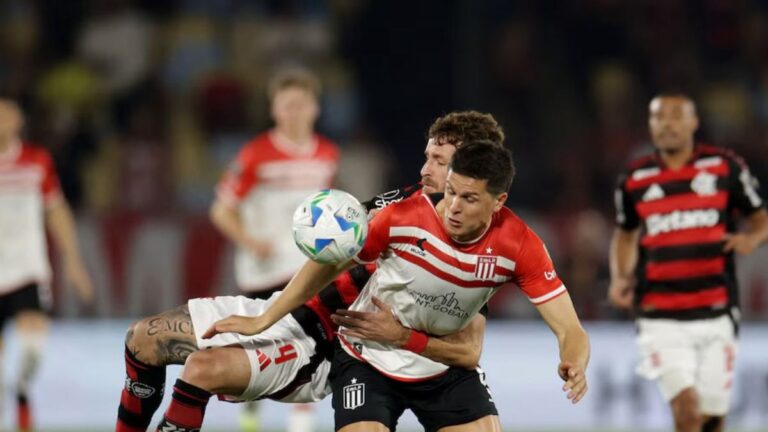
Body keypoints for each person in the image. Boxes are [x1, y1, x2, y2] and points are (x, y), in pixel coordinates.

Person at [115, 111, 506, 432]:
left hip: (323, 347)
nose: (424, 169)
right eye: (427, 157)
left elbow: (468, 347)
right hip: (292, 313)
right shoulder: (404, 201)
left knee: (203, 368)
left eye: (439, 162)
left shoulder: (474, 249)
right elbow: (339, 248)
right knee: (143, 338)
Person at [207, 140, 591, 432]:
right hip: (369, 356)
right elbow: (330, 263)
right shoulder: (402, 218)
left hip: (442, 367)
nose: (454, 206)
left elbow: (570, 329)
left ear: (499, 201)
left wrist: (574, 361)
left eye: (469, 198)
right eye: (451, 191)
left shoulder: (520, 246)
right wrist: (266, 318)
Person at [608, 94, 768, 432]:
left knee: (712, 418)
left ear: (694, 122)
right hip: (659, 314)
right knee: (687, 409)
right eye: (659, 117)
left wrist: (751, 239)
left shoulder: (724, 167)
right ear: (650, 124)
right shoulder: (635, 178)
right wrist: (620, 277)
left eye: (676, 116)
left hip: (716, 311)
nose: (667, 124)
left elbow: (760, 218)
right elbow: (626, 233)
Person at [209, 68, 339, 432]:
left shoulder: (327, 154)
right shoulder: (255, 155)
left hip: (306, 266)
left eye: (301, 104)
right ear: (274, 110)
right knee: (258, 347)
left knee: (310, 343)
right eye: (286, 105)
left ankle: (301, 423)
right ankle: (250, 413)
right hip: (262, 268)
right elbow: (221, 210)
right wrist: (251, 242)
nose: (294, 112)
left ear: (315, 108)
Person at [0, 99, 94, 431]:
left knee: (32, 351)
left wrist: (74, 261)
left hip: (27, 267)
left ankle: (22, 390)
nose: (4, 119)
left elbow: (56, 210)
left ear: (19, 121)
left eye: (9, 113)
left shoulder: (37, 160)